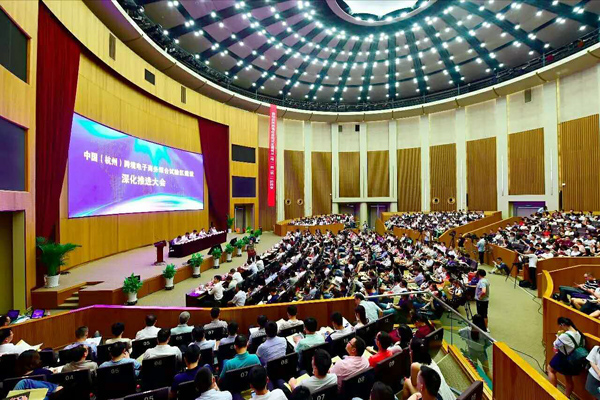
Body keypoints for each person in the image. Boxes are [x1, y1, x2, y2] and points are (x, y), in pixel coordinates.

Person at [547, 317, 585, 398]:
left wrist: (558, 335)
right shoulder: (579, 334)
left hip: (564, 357)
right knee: (568, 379)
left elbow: (555, 344)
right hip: (574, 359)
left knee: (550, 369)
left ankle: (553, 393)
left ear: (563, 324)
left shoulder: (565, 336)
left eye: (560, 326)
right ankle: (566, 397)